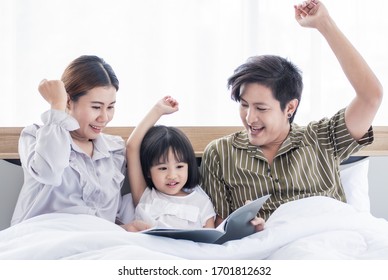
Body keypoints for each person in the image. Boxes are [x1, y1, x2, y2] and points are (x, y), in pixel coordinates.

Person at [200, 0, 383, 227]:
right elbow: (219, 228)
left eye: (261, 108)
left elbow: (371, 95)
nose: (249, 118)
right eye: (244, 104)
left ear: (290, 107)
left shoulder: (322, 138)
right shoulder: (220, 154)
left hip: (329, 243)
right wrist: (248, 231)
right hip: (264, 251)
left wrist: (324, 24)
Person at [11, 55, 147, 231]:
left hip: (95, 243)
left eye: (111, 107)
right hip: (44, 238)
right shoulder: (35, 136)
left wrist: (125, 228)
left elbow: (103, 216)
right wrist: (57, 104)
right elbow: (49, 173)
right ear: (69, 101)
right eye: (96, 107)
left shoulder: (114, 150)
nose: (104, 117)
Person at [126, 96, 216, 229]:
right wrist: (158, 110)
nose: (172, 175)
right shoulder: (145, 196)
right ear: (148, 172)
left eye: (179, 166)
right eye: (163, 168)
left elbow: (210, 241)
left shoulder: (202, 202)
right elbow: (132, 146)